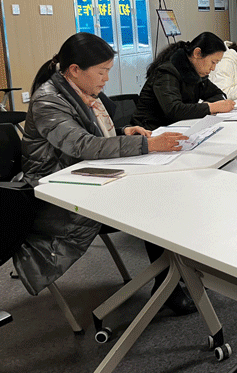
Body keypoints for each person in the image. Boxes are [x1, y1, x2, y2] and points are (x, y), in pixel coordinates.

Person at [14, 33, 186, 304]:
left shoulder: (78, 93)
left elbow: (88, 136)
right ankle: (169, 286)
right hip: (56, 194)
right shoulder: (48, 101)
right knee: (153, 201)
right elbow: (83, 144)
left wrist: (123, 131)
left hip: (80, 176)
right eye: (102, 71)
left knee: (158, 193)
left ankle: (173, 279)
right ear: (74, 70)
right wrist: (147, 145)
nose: (106, 79)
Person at [133, 32, 235, 130]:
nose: (213, 68)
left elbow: (219, 94)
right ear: (197, 53)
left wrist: (210, 106)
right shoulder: (166, 72)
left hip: (177, 128)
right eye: (213, 62)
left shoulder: (197, 73)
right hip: (149, 132)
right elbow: (174, 110)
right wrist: (210, 107)